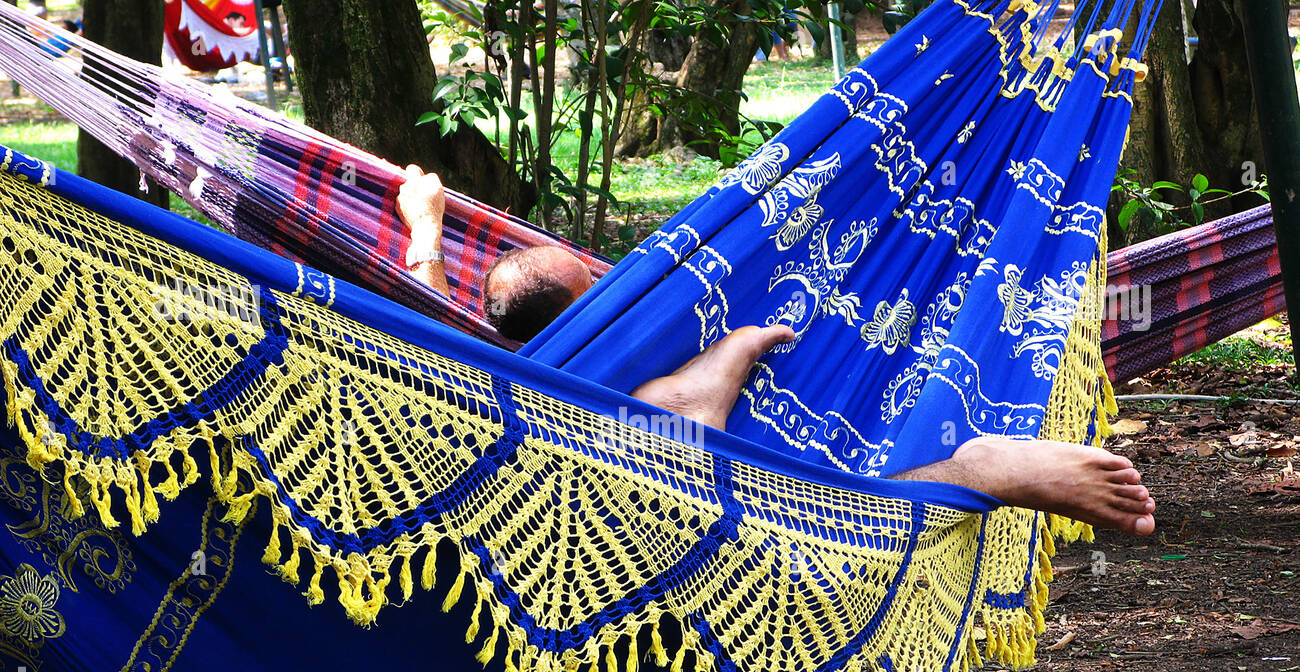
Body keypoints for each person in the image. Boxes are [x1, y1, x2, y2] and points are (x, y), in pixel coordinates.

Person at [397, 168, 1156, 536]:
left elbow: (430, 332)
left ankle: (700, 400)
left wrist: (425, 232)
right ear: (570, 321)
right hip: (678, 512)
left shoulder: (481, 365)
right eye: (592, 282)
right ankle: (975, 467)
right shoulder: (535, 378)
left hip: (709, 472)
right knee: (838, 514)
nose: (606, 279)